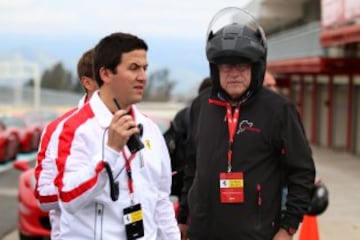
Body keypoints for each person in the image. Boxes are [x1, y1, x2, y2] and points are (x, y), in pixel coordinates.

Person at [180, 7, 315, 240]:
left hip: (257, 234)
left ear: (256, 67)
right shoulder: (201, 105)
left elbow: (302, 172)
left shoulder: (279, 110)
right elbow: (192, 167)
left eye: (242, 66)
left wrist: (288, 227)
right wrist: (184, 217)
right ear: (215, 69)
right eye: (226, 66)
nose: (234, 73)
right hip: (203, 232)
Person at [54, 32, 180, 239]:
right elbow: (67, 199)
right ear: (105, 74)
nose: (143, 76)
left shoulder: (150, 129)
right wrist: (109, 154)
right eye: (133, 68)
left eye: (144, 68)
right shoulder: (74, 128)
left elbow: (161, 200)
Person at [34, 48, 98, 240]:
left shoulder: (141, 125)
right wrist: (94, 181)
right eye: (105, 76)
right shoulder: (58, 129)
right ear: (87, 82)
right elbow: (43, 196)